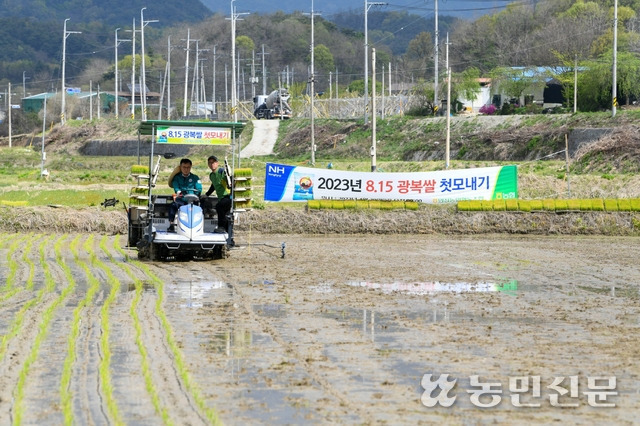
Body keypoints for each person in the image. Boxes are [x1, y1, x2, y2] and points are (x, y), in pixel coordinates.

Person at [168, 158, 202, 232]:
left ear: (190, 167)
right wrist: (178, 192)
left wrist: (197, 195)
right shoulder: (176, 178)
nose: (186, 169)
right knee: (173, 205)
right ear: (180, 167)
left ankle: (199, 226)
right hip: (181, 200)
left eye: (188, 167)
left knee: (202, 206)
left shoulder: (195, 178)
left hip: (193, 201)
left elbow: (199, 189)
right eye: (184, 167)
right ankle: (171, 224)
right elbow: (176, 187)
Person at [204, 155, 232, 233]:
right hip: (221, 198)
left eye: (214, 162)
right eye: (210, 163)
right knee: (225, 215)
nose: (212, 164)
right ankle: (228, 236)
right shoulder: (211, 175)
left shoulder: (222, 171)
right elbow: (213, 185)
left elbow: (230, 179)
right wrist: (206, 194)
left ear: (217, 163)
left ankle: (221, 227)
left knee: (219, 207)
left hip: (228, 196)